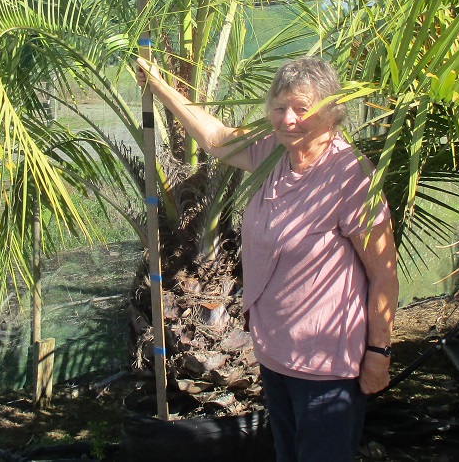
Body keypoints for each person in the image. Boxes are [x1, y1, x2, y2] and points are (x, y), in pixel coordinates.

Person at [136, 55, 398, 462]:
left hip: (327, 370)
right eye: (279, 108)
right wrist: (159, 86)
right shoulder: (272, 152)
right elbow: (216, 138)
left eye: (301, 108)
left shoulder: (351, 177)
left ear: (330, 111)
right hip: (275, 357)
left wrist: (379, 354)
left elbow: (384, 275)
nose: (288, 119)